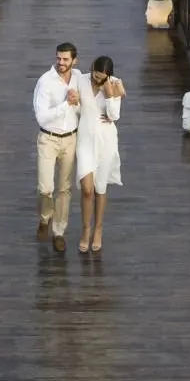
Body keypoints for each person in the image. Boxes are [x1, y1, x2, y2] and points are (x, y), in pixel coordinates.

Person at [32, 42, 82, 253]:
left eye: (65, 59)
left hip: (71, 138)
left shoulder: (80, 78)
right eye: (58, 58)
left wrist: (77, 103)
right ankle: (45, 217)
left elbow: (84, 106)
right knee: (46, 189)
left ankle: (59, 231)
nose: (61, 63)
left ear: (74, 60)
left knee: (64, 189)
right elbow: (41, 116)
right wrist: (66, 104)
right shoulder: (45, 82)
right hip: (48, 139)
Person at [75, 55, 124, 253]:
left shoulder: (114, 85)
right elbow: (77, 107)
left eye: (101, 77)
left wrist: (110, 94)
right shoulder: (82, 80)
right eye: (95, 75)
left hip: (106, 142)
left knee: (100, 188)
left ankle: (98, 229)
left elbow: (114, 116)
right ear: (92, 69)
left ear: (108, 75)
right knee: (87, 188)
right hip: (85, 140)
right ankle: (85, 230)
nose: (97, 80)